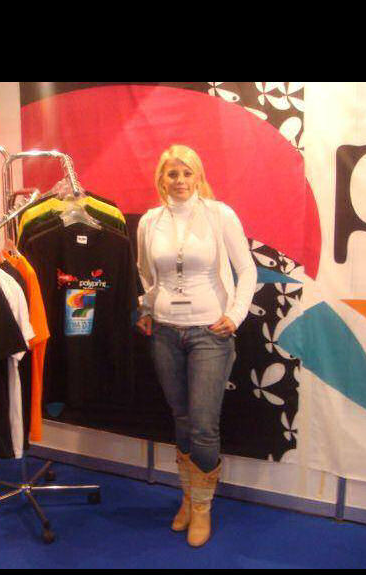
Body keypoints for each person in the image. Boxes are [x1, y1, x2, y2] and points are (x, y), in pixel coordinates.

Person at [136, 144, 256, 547]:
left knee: (203, 425)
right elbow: (145, 272)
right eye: (173, 173)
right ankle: (188, 497)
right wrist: (147, 306)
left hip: (210, 332)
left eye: (187, 173)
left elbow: (247, 269)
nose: (180, 181)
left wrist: (236, 314)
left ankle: (202, 508)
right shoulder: (150, 222)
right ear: (161, 178)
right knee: (182, 419)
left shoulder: (220, 215)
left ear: (199, 176)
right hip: (165, 332)